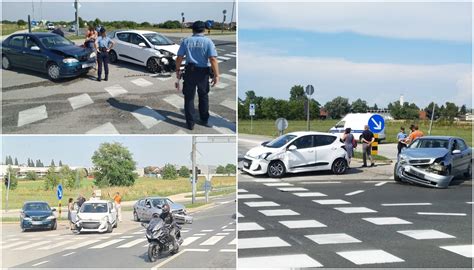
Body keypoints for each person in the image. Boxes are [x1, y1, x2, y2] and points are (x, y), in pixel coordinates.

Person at [175, 21, 220, 130]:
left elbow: (179, 57)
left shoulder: (186, 41)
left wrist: (177, 70)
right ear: (204, 30)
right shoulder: (208, 42)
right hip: (203, 72)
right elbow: (213, 59)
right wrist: (216, 75)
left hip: (190, 71)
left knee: (189, 97)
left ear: (192, 30)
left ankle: (190, 123)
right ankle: (204, 119)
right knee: (203, 96)